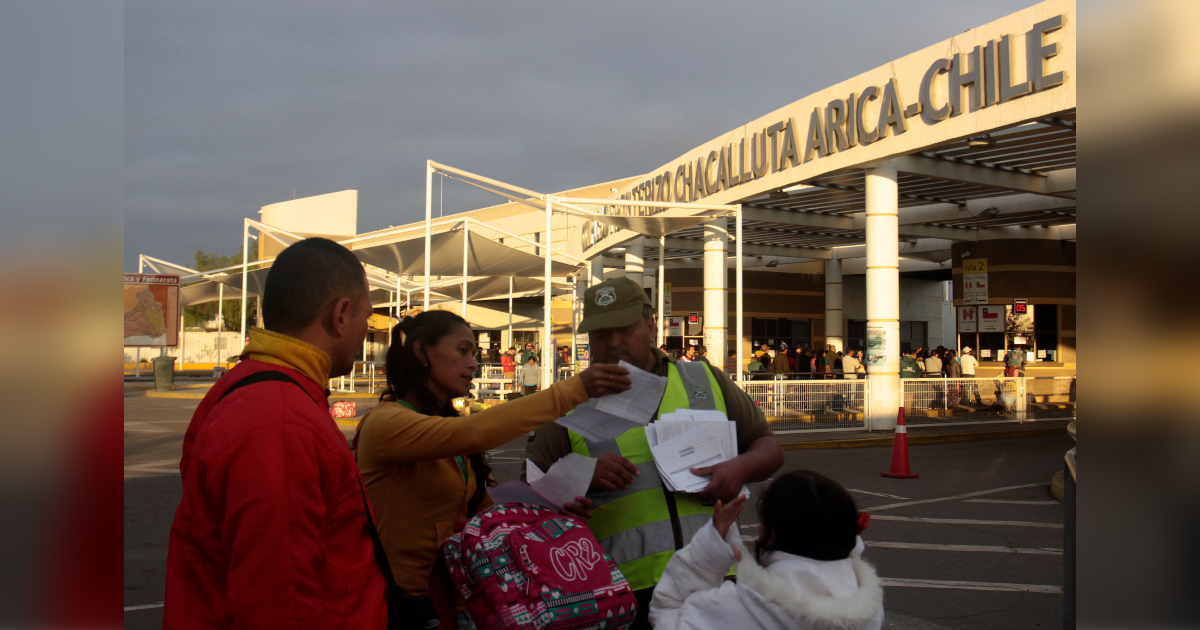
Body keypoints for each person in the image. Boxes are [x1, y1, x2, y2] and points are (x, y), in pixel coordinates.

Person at [524, 277, 785, 630]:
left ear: (649, 326)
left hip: (717, 575)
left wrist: (741, 466)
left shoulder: (704, 379)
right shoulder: (569, 403)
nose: (613, 341)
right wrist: (579, 477)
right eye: (601, 332)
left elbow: (768, 447)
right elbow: (526, 501)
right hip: (624, 590)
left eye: (625, 328)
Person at [164, 238, 387, 630]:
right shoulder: (280, 422)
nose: (366, 330)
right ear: (340, 315)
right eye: (366, 318)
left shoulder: (264, 389)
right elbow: (277, 600)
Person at [352, 310, 632, 606]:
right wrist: (574, 390)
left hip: (463, 602)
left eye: (474, 353)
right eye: (462, 351)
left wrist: (554, 516)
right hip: (404, 605)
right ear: (422, 351)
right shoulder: (385, 425)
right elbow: (475, 431)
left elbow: (490, 525)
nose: (473, 363)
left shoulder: (450, 432)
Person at [648, 470, 884, 630]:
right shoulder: (868, 608)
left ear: (769, 535)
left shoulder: (737, 604)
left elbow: (666, 616)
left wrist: (708, 549)